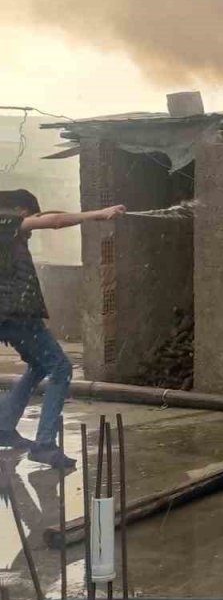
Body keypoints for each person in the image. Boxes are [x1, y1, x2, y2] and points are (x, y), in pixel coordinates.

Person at [0, 189, 126, 468]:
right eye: (32, 216)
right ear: (22, 211)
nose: (33, 227)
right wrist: (99, 214)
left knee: (40, 364)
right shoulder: (7, 221)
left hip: (9, 317)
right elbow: (54, 221)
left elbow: (47, 217)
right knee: (61, 368)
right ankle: (44, 444)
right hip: (17, 315)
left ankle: (4, 426)